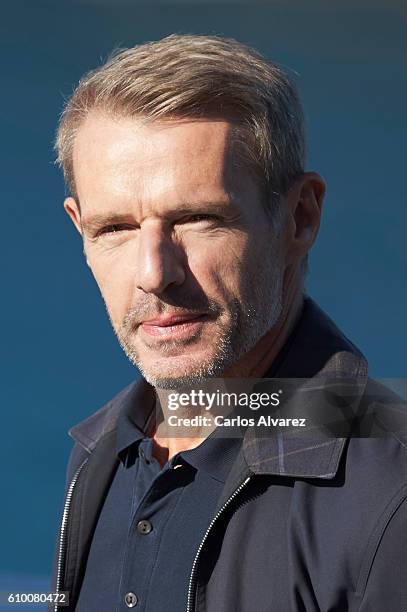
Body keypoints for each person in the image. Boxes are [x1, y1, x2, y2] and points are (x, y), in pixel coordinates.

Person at [49, 34, 407, 611]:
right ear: (79, 230)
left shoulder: (392, 493)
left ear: (300, 217)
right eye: (114, 228)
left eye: (197, 218)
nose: (153, 273)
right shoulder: (101, 456)